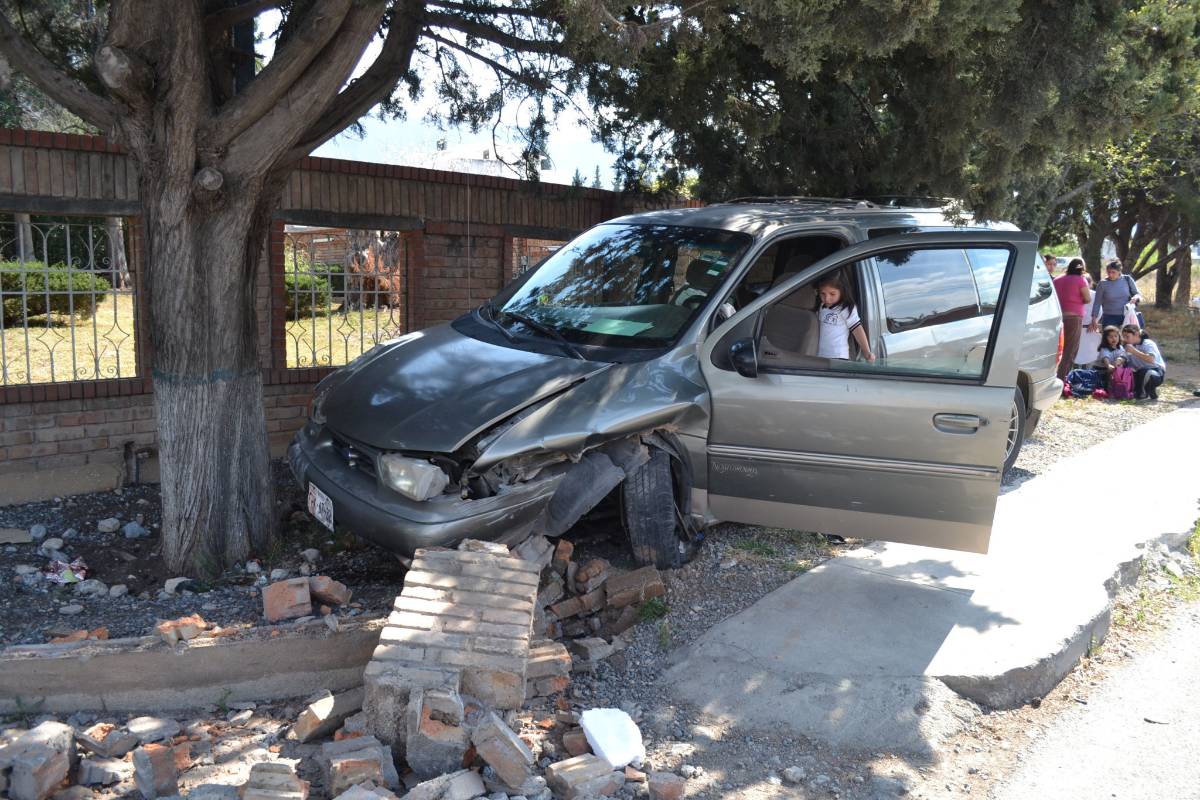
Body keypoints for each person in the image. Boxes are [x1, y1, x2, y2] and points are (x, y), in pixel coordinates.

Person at [815, 273, 875, 362]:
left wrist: (866, 351)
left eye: (832, 294)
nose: (827, 298)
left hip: (838, 355)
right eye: (823, 294)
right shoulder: (821, 306)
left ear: (842, 291)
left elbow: (857, 329)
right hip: (819, 355)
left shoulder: (845, 308)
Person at [1053, 258, 1091, 382]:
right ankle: (1061, 380)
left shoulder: (1057, 279)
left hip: (1058, 316)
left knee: (1057, 348)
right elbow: (1087, 298)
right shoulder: (1081, 280)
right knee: (1070, 350)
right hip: (1073, 317)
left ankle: (1051, 377)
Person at [1089, 261, 1142, 332]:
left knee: (1127, 340)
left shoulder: (1127, 279)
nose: (1110, 274)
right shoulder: (1102, 284)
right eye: (1108, 272)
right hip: (1109, 317)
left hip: (1126, 315)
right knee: (1110, 340)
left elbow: (1137, 294)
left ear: (1119, 271)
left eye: (1113, 272)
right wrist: (1094, 319)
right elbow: (1097, 303)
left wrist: (1135, 297)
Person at [1120, 325, 1166, 400]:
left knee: (1145, 372)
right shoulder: (1128, 345)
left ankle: (1143, 393)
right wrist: (1119, 360)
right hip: (1138, 372)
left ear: (1137, 334)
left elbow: (1151, 359)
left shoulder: (1148, 343)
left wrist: (1134, 351)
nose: (1125, 339)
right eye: (1123, 337)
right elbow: (1124, 357)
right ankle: (1150, 390)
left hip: (1156, 372)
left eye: (1127, 336)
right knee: (1125, 370)